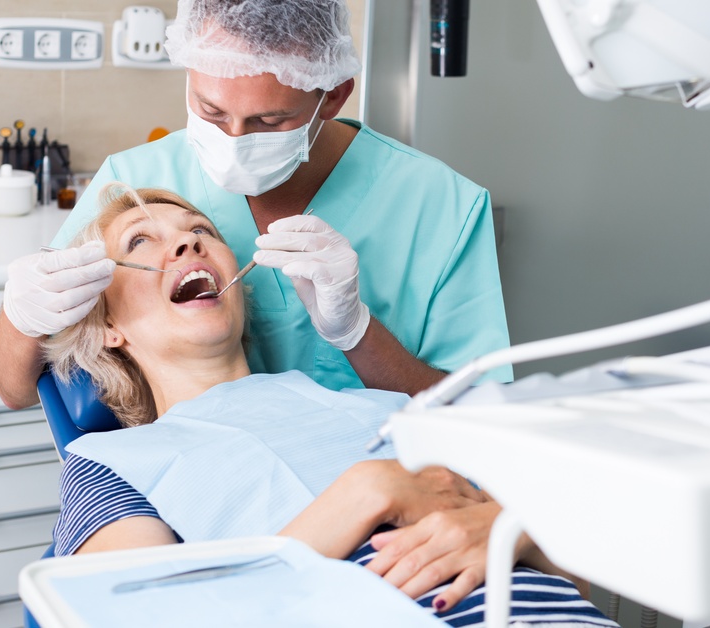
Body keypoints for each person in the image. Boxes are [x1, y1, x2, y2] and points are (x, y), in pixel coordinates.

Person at [45, 185, 613, 627]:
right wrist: (366, 493)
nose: (188, 243)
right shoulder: (110, 462)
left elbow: (578, 581)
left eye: (201, 230)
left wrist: (509, 527)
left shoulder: (379, 406)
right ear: (107, 326)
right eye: (139, 242)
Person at [0, 0, 513, 410]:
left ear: (332, 96)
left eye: (269, 122)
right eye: (210, 110)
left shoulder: (442, 206)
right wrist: (22, 316)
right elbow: (15, 389)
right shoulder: (135, 182)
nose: (234, 139)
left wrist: (357, 332)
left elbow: (480, 420)